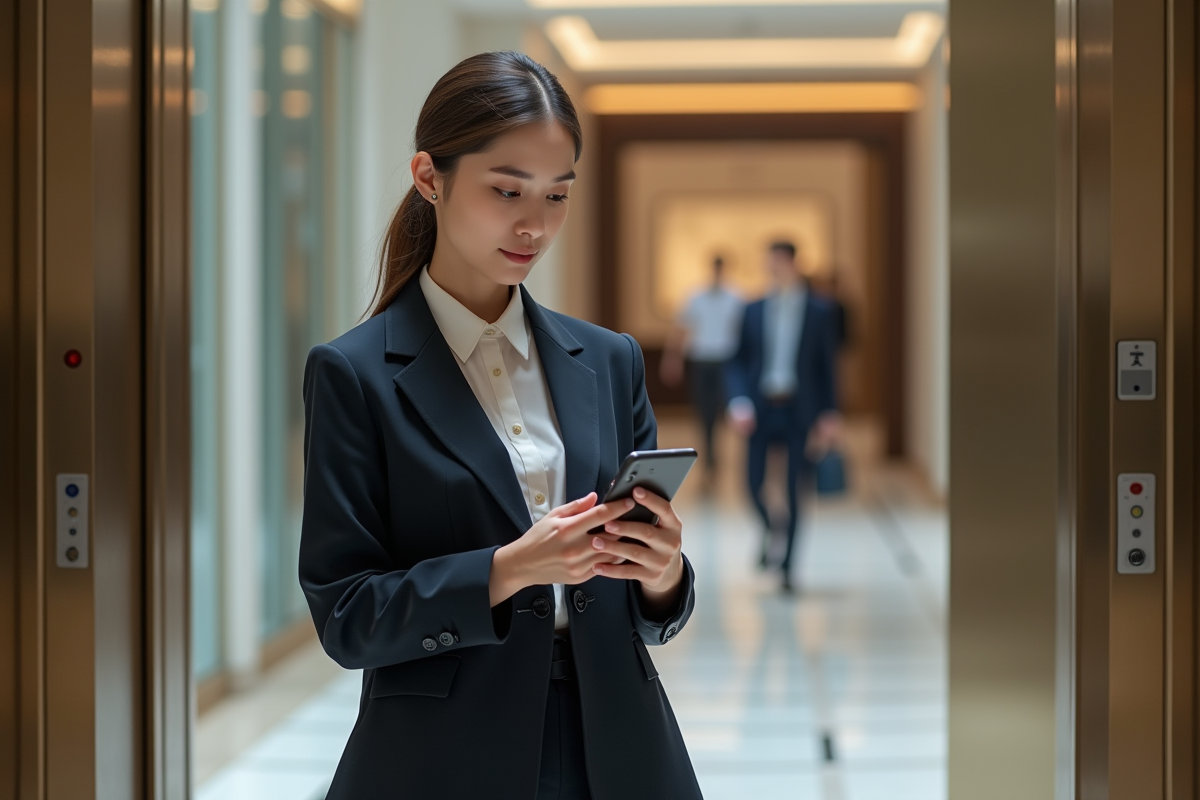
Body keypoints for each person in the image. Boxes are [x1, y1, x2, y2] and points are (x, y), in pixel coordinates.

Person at [299, 52, 701, 800]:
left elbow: (652, 613)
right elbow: (347, 616)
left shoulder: (609, 360)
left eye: (557, 195)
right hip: (443, 757)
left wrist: (663, 572)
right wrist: (511, 567)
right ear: (430, 178)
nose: (534, 224)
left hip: (618, 746)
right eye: (507, 190)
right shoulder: (355, 374)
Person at [725, 241, 841, 594]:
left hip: (799, 409)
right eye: (769, 262)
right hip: (761, 408)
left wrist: (830, 413)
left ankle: (789, 565)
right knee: (752, 484)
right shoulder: (753, 308)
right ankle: (772, 527)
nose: (773, 268)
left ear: (792, 263)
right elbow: (737, 360)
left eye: (778, 262)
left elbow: (827, 366)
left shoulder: (820, 310)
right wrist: (738, 400)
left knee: (795, 489)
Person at [659, 255, 744, 488]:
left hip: (727, 362)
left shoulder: (736, 298)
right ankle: (709, 462)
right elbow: (681, 329)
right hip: (702, 361)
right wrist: (672, 359)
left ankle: (726, 460)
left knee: (730, 413)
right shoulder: (696, 296)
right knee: (704, 413)